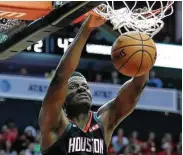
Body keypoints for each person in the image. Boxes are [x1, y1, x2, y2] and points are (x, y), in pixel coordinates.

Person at [39, 15, 149, 155]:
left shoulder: (103, 121)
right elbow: (61, 77)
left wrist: (141, 53)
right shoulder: (55, 123)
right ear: (63, 100)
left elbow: (137, 87)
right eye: (73, 87)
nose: (81, 88)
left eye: (85, 87)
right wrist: (86, 28)